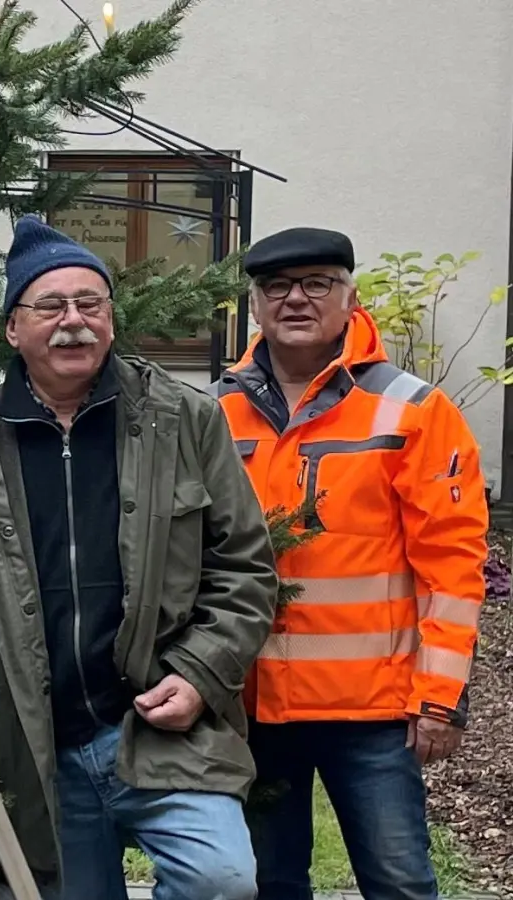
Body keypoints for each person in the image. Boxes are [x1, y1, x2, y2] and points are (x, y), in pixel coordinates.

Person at [0, 215, 280, 900]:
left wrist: (201, 674)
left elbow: (244, 566)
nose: (74, 322)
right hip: (38, 746)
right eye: (51, 305)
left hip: (159, 725)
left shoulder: (183, 420)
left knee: (223, 880)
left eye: (90, 304)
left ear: (111, 321)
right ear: (12, 328)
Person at [211, 226, 488, 900]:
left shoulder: (413, 411)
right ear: (255, 305)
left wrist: (439, 699)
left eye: (317, 284)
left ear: (350, 296)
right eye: (277, 286)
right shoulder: (216, 413)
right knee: (267, 883)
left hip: (373, 712)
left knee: (398, 884)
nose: (296, 299)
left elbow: (452, 566)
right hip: (253, 706)